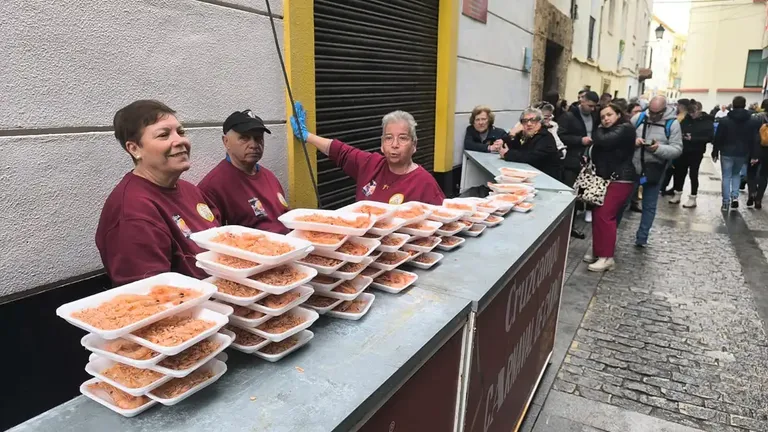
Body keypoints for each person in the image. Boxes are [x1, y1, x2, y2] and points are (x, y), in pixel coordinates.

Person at [95, 100, 220, 286]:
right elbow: (152, 297)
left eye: (181, 132)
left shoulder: (191, 190)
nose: (180, 141)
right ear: (134, 149)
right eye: (163, 135)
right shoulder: (133, 211)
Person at [290, 102, 445, 205]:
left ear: (414, 145)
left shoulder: (425, 182)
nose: (395, 145)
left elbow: (443, 221)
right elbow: (340, 151)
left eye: (403, 138)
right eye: (389, 138)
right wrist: (306, 135)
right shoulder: (371, 164)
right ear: (382, 144)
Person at [198, 110, 289, 234]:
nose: (253, 144)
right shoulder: (212, 187)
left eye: (258, 138)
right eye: (244, 138)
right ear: (226, 142)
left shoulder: (269, 176)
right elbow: (212, 238)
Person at [623, 96, 683, 247]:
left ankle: (642, 238)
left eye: (657, 113)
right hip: (633, 167)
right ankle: (611, 234)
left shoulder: (672, 124)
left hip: (654, 170)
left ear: (665, 109)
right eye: (651, 112)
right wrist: (633, 142)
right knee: (622, 202)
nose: (653, 116)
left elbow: (677, 149)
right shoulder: (638, 118)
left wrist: (658, 149)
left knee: (649, 205)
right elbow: (623, 137)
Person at [583, 104, 637, 272]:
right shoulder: (610, 130)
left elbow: (602, 140)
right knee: (599, 213)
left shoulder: (625, 128)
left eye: (609, 115)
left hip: (621, 179)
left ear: (618, 114)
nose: (605, 119)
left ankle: (607, 258)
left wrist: (597, 129)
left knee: (605, 215)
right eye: (603, 116)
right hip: (607, 178)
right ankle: (599, 252)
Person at [560, 90, 600, 227]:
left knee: (589, 186)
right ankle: (569, 221)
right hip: (573, 158)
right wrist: (579, 140)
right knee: (572, 189)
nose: (592, 109)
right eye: (590, 105)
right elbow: (562, 136)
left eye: (594, 106)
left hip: (591, 157)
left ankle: (588, 209)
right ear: (582, 101)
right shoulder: (569, 116)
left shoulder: (595, 115)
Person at [712, 96, 760, 211]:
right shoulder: (752, 121)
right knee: (736, 174)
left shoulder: (725, 121)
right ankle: (735, 197)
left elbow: (718, 137)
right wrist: (754, 154)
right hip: (743, 152)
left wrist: (715, 151)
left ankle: (725, 202)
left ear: (733, 105)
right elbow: (755, 139)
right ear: (744, 105)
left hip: (726, 152)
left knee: (726, 176)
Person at [669, 100, 714, 208]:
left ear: (699, 110)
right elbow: (679, 129)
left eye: (693, 112)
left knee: (693, 174)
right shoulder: (686, 119)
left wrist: (693, 138)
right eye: (690, 112)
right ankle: (677, 193)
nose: (692, 115)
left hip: (696, 151)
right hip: (683, 149)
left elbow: (710, 138)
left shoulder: (707, 122)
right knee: (679, 172)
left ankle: (693, 197)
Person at [499, 108, 562, 180]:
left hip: (548, 179)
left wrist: (508, 154)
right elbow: (513, 148)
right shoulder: (525, 135)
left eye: (533, 120)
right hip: (529, 176)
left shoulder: (546, 137)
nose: (529, 124)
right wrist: (512, 134)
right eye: (525, 121)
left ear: (539, 122)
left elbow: (532, 157)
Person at [748, 98, 768, 209]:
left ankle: (752, 192)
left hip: (756, 148)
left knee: (751, 172)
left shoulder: (756, 117)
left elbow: (750, 133)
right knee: (764, 175)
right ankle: (759, 199)